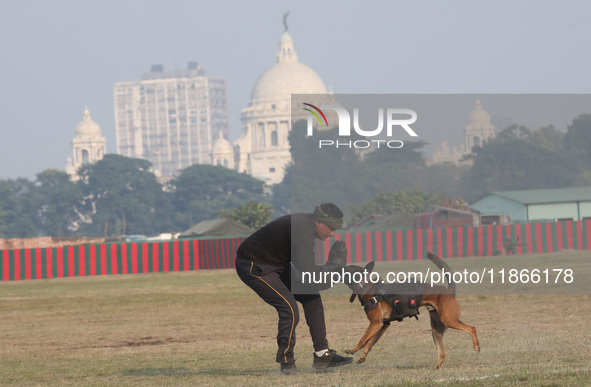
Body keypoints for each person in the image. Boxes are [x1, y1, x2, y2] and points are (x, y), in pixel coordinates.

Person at [235, 203, 353, 375]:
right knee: (288, 308)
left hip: (277, 264)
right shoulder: (302, 232)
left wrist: (333, 271)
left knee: (311, 296)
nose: (333, 233)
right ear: (319, 222)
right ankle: (286, 363)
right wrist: (334, 272)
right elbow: (309, 275)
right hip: (254, 265)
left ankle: (322, 356)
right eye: (331, 228)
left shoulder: (307, 227)